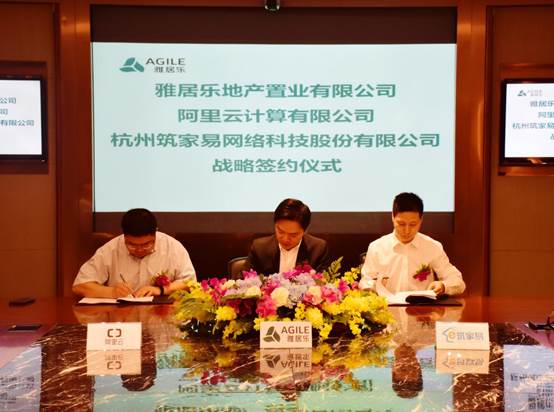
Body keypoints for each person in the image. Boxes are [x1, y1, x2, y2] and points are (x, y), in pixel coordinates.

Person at [73, 208, 195, 298]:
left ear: (155, 233)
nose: (139, 249)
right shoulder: (111, 249)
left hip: (162, 316)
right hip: (121, 317)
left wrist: (161, 290)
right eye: (132, 245)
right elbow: (80, 286)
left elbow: (190, 283)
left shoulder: (172, 247)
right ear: (124, 236)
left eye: (146, 244)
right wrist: (111, 292)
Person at [360, 192, 465, 296]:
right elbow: (365, 281)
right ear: (392, 217)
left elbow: (458, 281)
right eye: (401, 224)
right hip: (387, 305)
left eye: (413, 224)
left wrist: (443, 285)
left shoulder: (432, 246)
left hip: (422, 306)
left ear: (421, 220)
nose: (407, 230)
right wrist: (374, 285)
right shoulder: (377, 247)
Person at [245, 198, 331, 275]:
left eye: (293, 235)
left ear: (305, 231)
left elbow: (323, 283)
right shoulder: (260, 248)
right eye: (281, 232)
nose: (285, 239)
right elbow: (244, 281)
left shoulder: (318, 249)